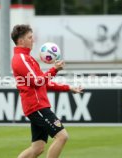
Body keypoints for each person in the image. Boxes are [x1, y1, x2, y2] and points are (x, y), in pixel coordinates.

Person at [11, 24, 83, 158]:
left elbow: (43, 83)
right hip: (37, 106)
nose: (33, 40)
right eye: (30, 37)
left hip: (36, 106)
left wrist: (68, 88)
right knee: (62, 136)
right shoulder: (21, 59)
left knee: (37, 148)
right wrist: (54, 69)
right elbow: (38, 81)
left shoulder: (27, 58)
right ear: (21, 41)